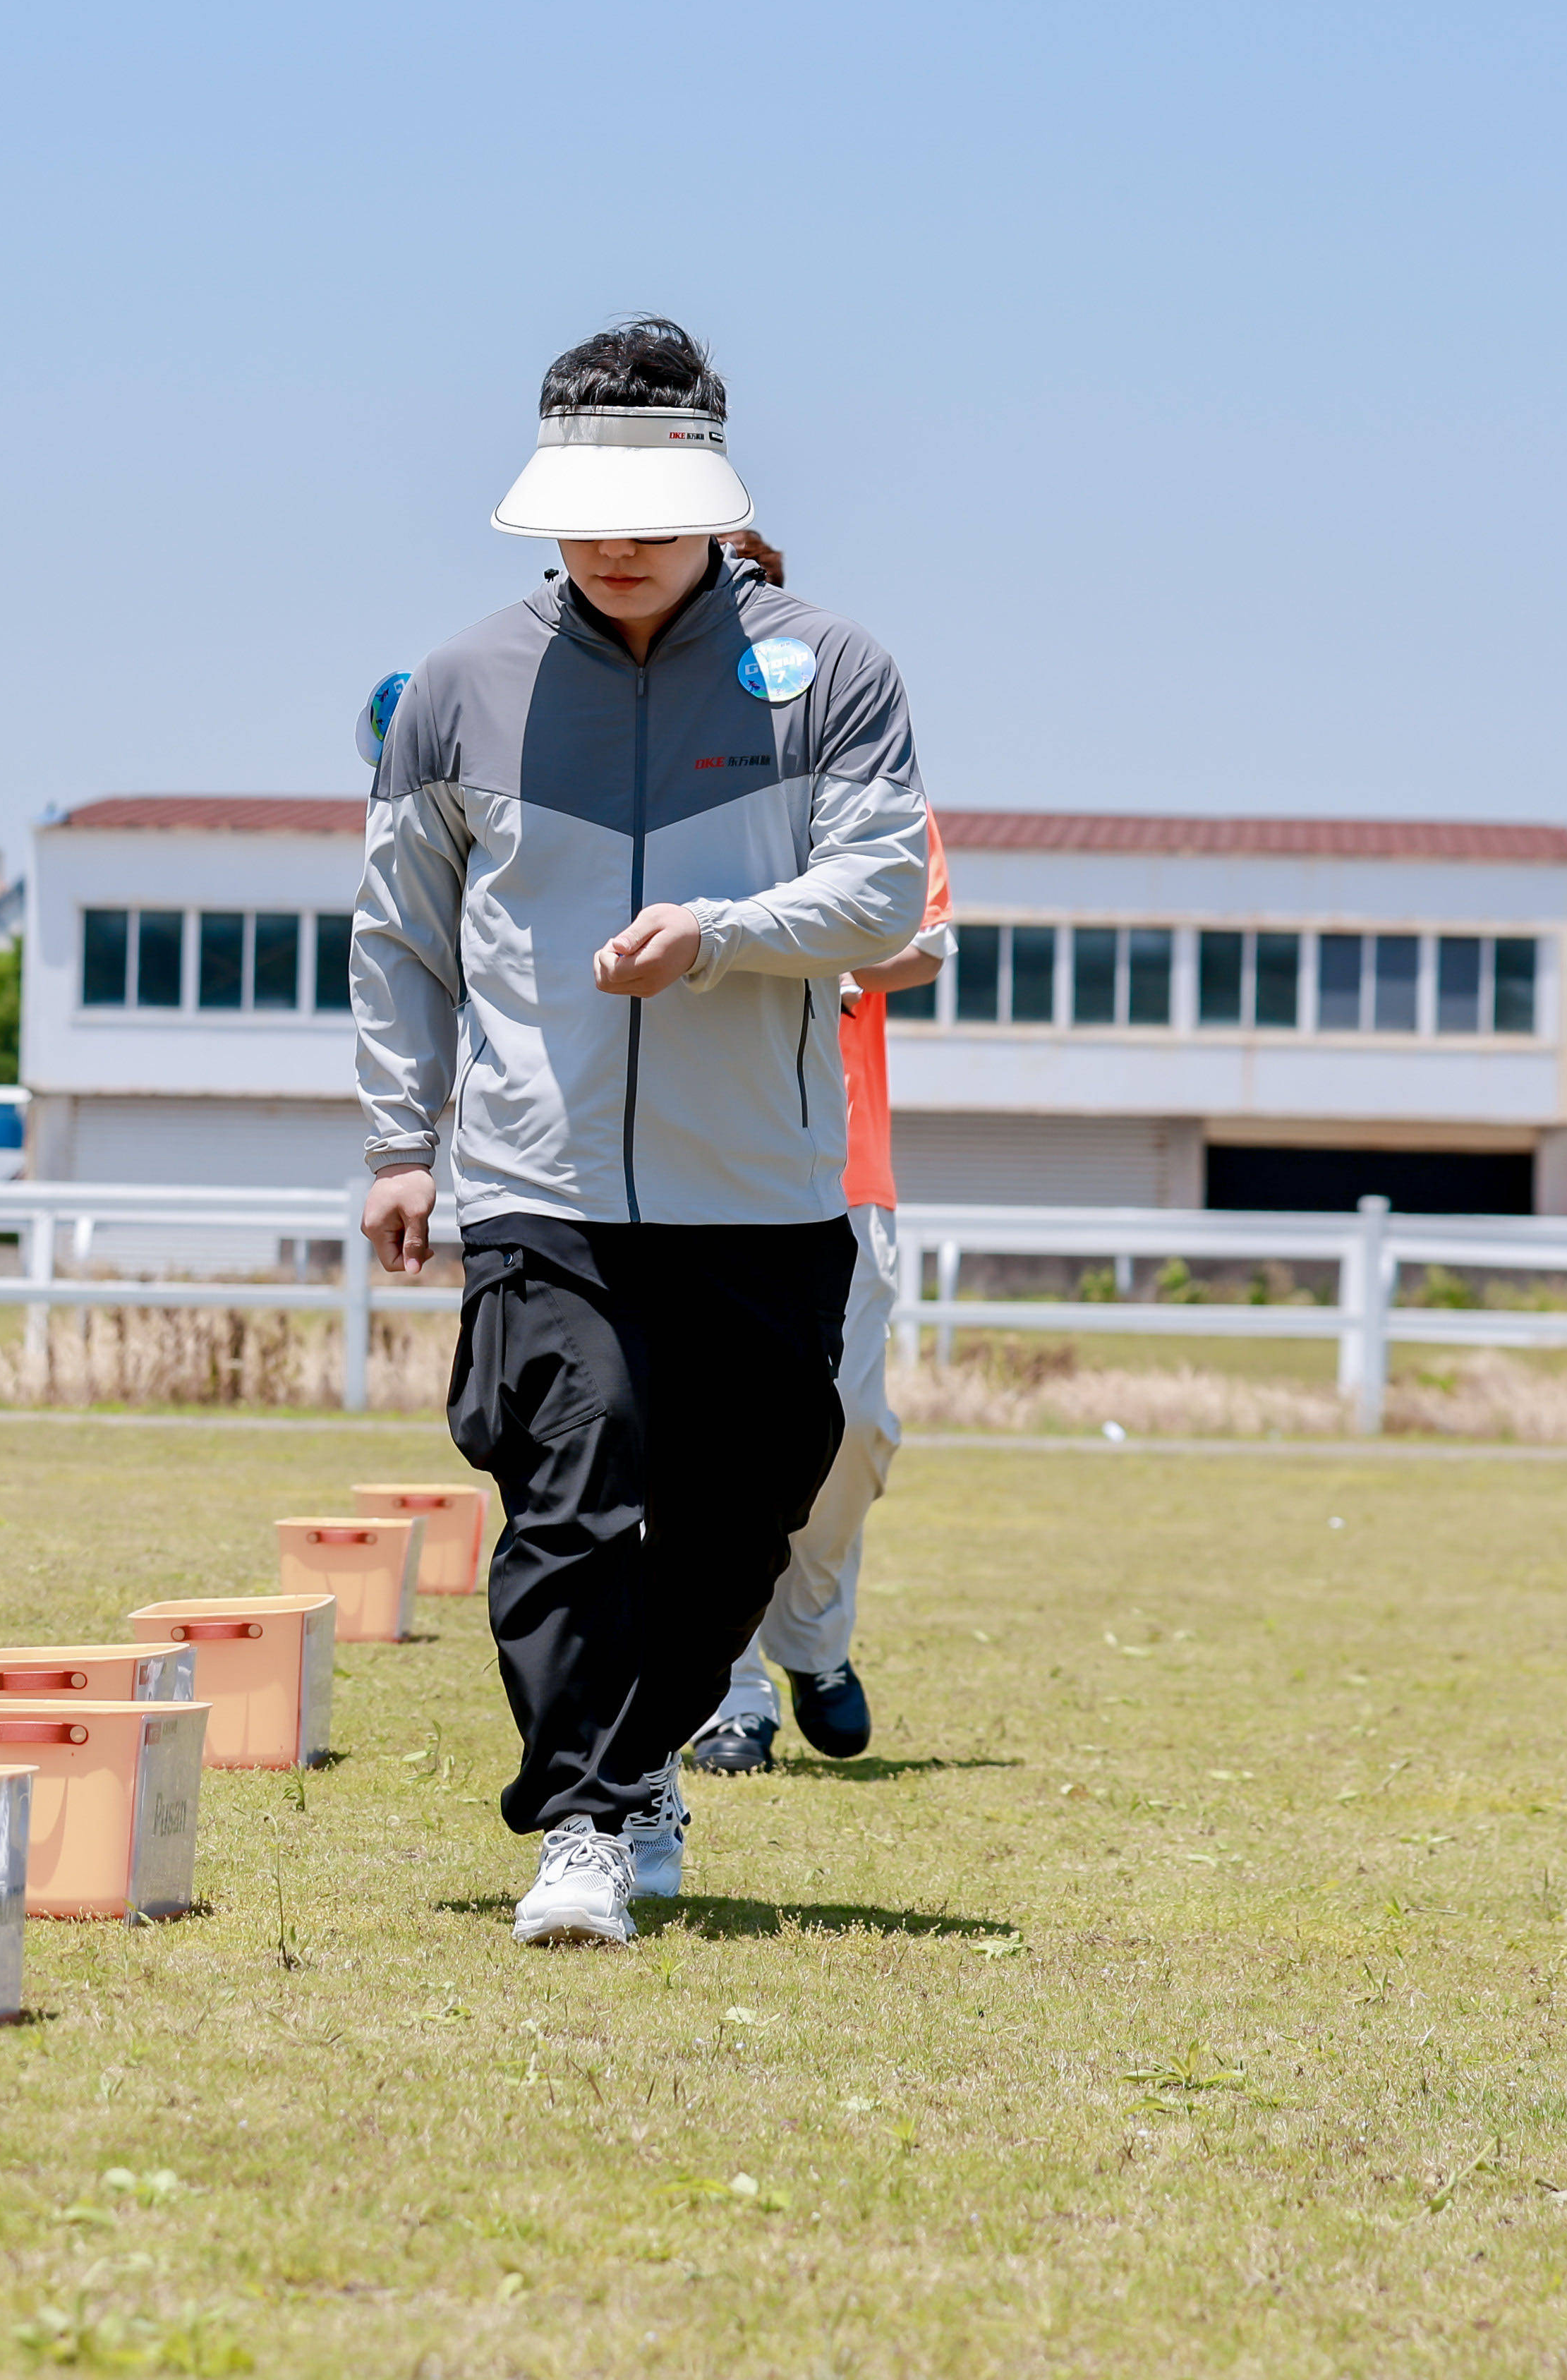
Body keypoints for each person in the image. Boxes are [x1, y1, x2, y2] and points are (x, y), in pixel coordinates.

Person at [355, 320, 928, 1950]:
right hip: (537, 1183)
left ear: (710, 490)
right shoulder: (457, 688)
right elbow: (398, 937)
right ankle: (589, 1822)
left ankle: (636, 1756)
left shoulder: (835, 669)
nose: (607, 541)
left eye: (640, 507)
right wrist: (403, 1142)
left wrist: (723, 933)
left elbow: (887, 892)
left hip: (757, 1190)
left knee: (749, 1505)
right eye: (578, 508)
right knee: (567, 1484)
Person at [689, 737, 950, 1775]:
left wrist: (806, 954)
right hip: (694, 1162)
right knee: (708, 1440)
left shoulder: (873, 789)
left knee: (849, 1427)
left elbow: (926, 943)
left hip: (844, 1166)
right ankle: (731, 1690)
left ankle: (813, 1636)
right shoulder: (667, 784)